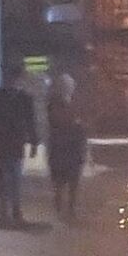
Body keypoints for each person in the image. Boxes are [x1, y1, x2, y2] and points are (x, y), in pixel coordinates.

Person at [0, 57, 40, 225]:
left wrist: (34, 141)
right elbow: (30, 121)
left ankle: (9, 211)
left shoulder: (1, 97)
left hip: (7, 143)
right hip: (9, 142)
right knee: (10, 178)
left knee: (7, 178)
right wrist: (33, 142)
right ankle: (10, 211)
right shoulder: (18, 98)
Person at [47, 70, 89, 221]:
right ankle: (60, 209)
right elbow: (58, 121)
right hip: (61, 147)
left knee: (73, 182)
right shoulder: (55, 103)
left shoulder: (75, 102)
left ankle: (70, 209)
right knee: (60, 182)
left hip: (72, 147)